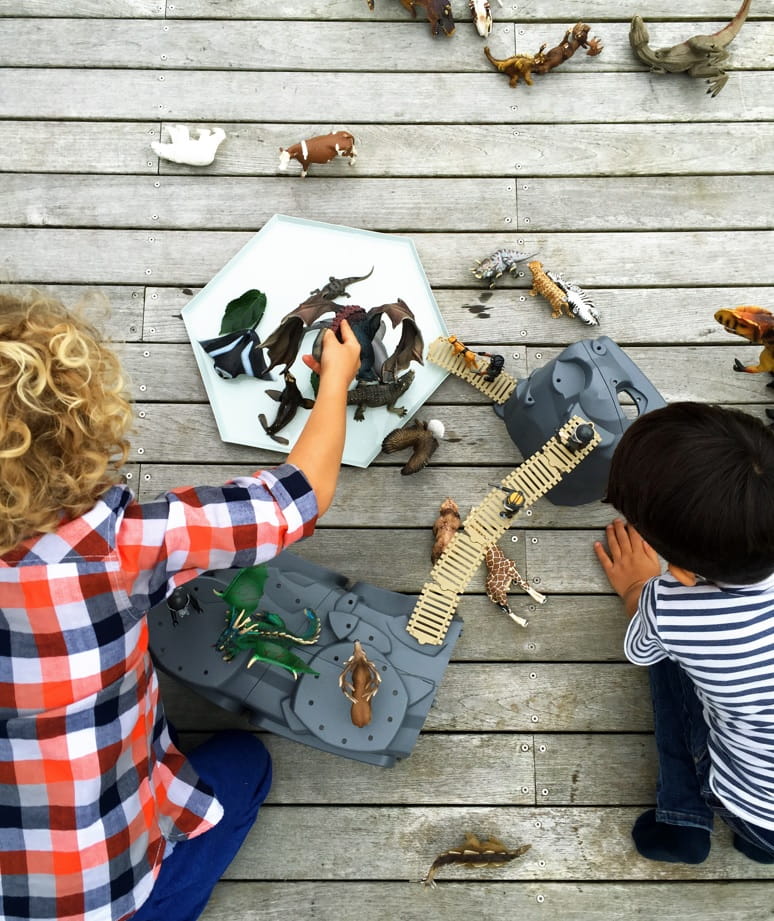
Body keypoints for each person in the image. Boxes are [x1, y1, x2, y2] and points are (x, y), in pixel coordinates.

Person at [0, 290, 361, 921]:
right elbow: (298, 496)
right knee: (246, 764)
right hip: (112, 897)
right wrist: (336, 381)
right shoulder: (118, 547)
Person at [593, 401, 774, 866]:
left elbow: (643, 644)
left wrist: (637, 588)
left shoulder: (674, 608)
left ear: (682, 571)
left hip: (752, 806)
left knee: (664, 661)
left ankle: (682, 818)